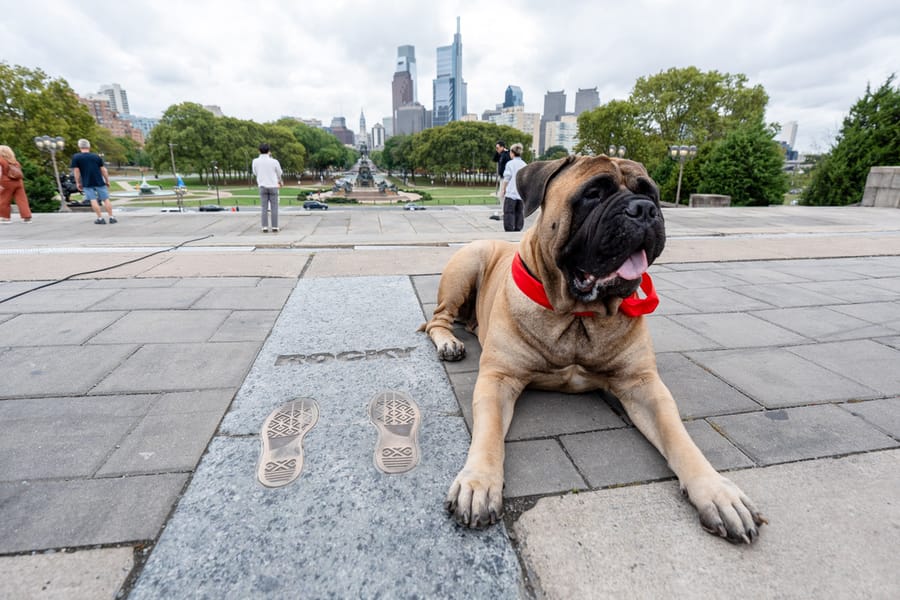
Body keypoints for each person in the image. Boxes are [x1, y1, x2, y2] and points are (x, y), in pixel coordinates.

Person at [70, 139, 115, 224]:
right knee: (106, 199)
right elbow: (103, 170)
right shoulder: (96, 157)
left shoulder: (76, 157)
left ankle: (100, 218)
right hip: (99, 180)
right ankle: (111, 217)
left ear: (80, 147)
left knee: (93, 199)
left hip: (87, 181)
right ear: (89, 146)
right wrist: (107, 180)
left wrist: (77, 182)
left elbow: (76, 171)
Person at [251, 142, 283, 232]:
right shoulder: (274, 161)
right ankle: (275, 226)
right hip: (273, 185)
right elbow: (279, 173)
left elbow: (255, 172)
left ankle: (264, 226)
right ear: (269, 151)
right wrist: (280, 181)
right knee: (274, 207)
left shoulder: (255, 161)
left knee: (264, 207)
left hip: (262, 185)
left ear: (259, 151)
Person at [0, 145, 33, 223]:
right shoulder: (14, 161)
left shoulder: (1, 160)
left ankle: (5, 218)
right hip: (18, 182)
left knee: (4, 199)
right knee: (22, 200)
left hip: (6, 182)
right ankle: (27, 217)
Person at [499, 143, 527, 232]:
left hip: (511, 192)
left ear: (512, 152)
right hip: (520, 193)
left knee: (508, 212)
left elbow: (507, 178)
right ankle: (518, 228)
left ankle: (509, 229)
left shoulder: (510, 164)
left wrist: (503, 189)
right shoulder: (524, 164)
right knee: (519, 212)